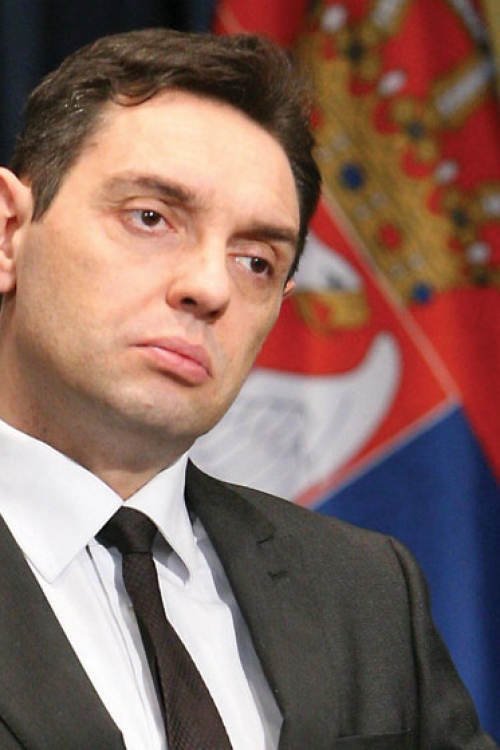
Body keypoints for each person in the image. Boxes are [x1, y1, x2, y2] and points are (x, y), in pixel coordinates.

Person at [0, 27, 496, 750]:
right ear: (9, 231)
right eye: (151, 218)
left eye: (256, 261)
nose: (210, 287)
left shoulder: (366, 593)